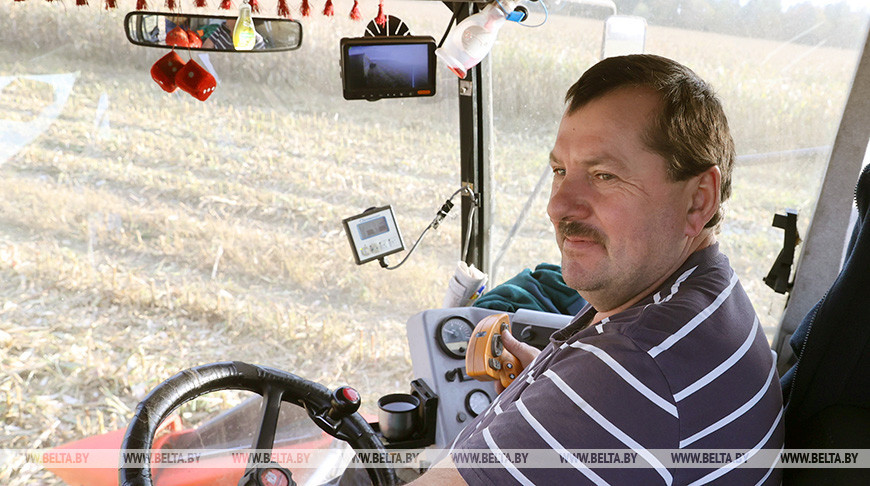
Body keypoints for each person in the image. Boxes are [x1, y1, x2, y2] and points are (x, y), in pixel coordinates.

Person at [410, 54, 783, 485]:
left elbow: (628, 388)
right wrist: (553, 384)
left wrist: (581, 394)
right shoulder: (708, 293)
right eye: (560, 170)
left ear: (699, 200)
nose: (558, 206)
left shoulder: (629, 370)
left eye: (604, 175)